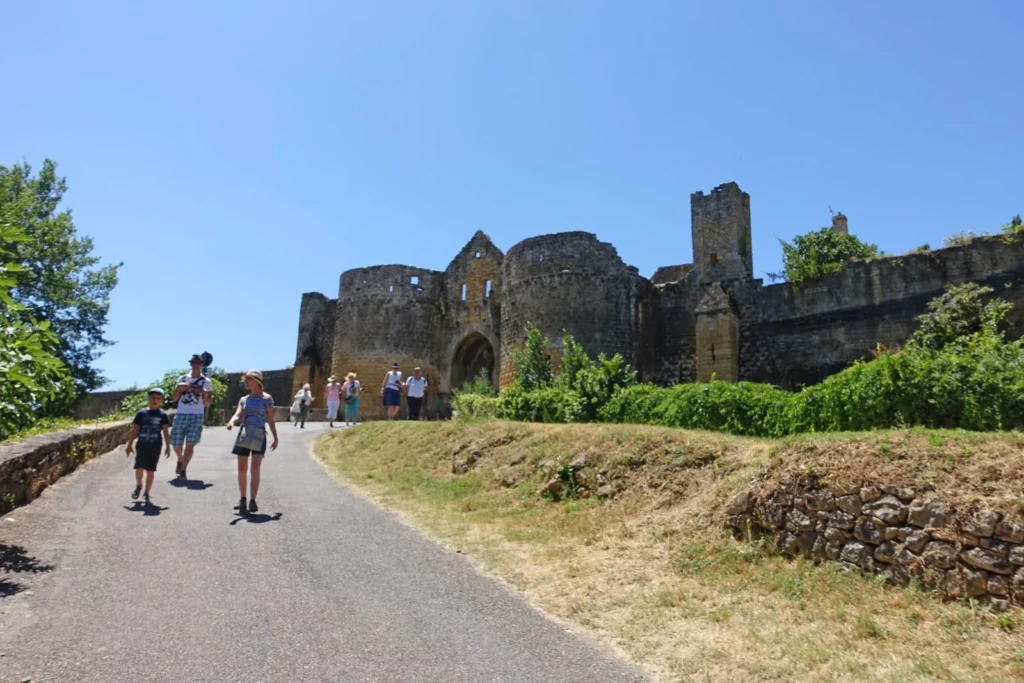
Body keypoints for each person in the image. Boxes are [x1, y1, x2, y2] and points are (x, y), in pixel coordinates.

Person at [226, 370, 279, 515]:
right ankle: (243, 498)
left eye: (249, 380)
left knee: (255, 468)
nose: (246, 382)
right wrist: (231, 422)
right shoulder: (244, 399)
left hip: (259, 433)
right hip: (245, 432)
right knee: (242, 469)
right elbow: (238, 413)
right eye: (245, 380)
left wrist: (275, 438)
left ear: (257, 381)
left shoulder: (267, 398)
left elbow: (270, 419)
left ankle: (253, 500)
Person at [125, 388, 171, 505]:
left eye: (158, 398)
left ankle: (146, 493)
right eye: (153, 398)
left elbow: (165, 431)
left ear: (161, 401)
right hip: (141, 444)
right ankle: (139, 485)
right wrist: (129, 445)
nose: (155, 400)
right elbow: (134, 429)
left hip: (155, 445)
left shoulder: (163, 415)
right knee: (139, 467)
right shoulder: (141, 413)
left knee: (150, 470)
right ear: (149, 399)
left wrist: (168, 446)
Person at [170, 354, 213, 480]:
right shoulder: (182, 378)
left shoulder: (206, 382)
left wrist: (203, 392)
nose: (196, 365)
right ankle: (180, 459)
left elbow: (209, 402)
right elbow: (174, 399)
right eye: (194, 363)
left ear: (201, 364)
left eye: (198, 363)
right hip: (182, 412)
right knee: (175, 441)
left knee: (190, 443)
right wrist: (178, 389)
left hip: (197, 414)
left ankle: (183, 470)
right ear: (191, 364)